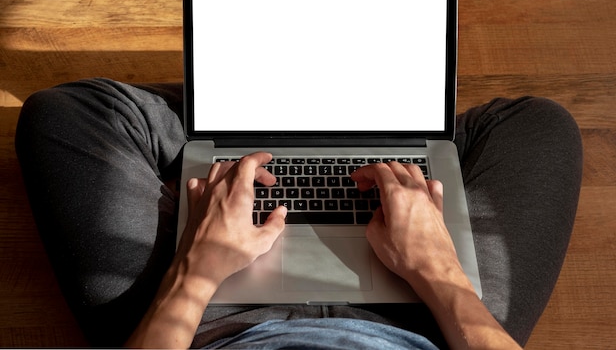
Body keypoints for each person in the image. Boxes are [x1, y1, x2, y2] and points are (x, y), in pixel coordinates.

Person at [15, 78, 583, 349]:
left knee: (66, 113)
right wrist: (439, 271)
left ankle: (251, 101)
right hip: (431, 323)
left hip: (202, 325)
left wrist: (194, 272)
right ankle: (370, 113)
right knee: (538, 124)